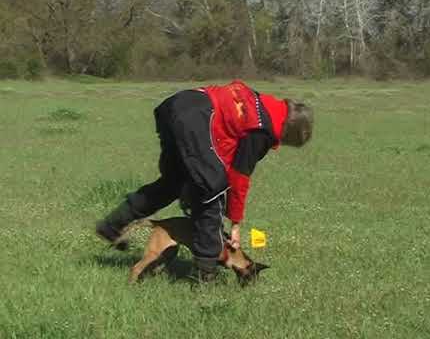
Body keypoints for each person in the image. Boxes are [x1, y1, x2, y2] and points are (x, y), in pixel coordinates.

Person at [96, 80, 313, 282]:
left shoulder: (262, 104)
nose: (280, 143)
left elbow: (225, 152)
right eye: (285, 141)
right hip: (195, 120)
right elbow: (239, 176)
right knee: (213, 189)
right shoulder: (263, 130)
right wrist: (235, 223)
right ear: (287, 130)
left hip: (176, 106)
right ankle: (205, 276)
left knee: (173, 183)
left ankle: (113, 225)